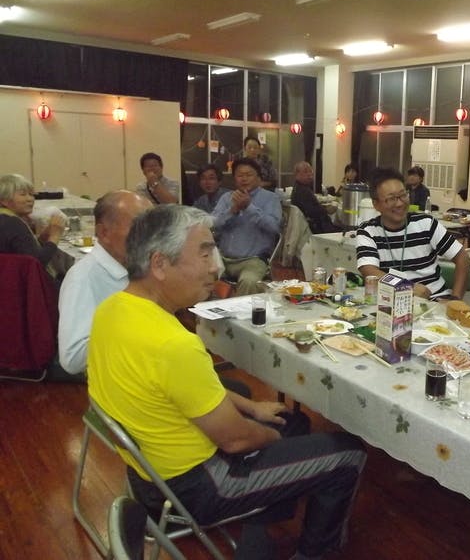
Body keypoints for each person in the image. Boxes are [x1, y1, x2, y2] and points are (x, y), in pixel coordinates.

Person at [87, 204, 367, 560]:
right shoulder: (173, 344)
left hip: (149, 475)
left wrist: (254, 409)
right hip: (199, 486)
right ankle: (314, 553)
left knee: (290, 420)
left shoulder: (112, 309)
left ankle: (265, 512)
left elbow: (186, 389)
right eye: (204, 254)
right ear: (159, 264)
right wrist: (272, 439)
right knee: (348, 453)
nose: (215, 267)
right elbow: (237, 440)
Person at [57, 190, 152, 378]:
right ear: (104, 232)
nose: (151, 236)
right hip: (121, 380)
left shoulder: (139, 266)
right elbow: (72, 358)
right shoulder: (83, 278)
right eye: (139, 228)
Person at [356, 168, 470, 300]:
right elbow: (370, 272)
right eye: (391, 199)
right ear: (376, 204)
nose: (400, 203)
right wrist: (406, 287)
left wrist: (455, 299)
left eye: (403, 195)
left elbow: (463, 258)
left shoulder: (426, 224)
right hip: (391, 302)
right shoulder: (368, 231)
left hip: (435, 299)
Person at [213, 157, 282, 295]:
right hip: (223, 259)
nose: (244, 179)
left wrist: (249, 207)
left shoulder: (270, 198)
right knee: (200, 275)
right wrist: (232, 211)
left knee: (249, 281)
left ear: (258, 178)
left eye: (249, 175)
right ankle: (210, 310)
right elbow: (213, 224)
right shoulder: (227, 198)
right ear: (234, 179)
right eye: (240, 175)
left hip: (253, 260)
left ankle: (240, 310)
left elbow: (274, 227)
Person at [0, 173, 68, 278]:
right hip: (26, 284)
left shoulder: (5, 218)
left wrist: (43, 238)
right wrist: (54, 237)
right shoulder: (13, 224)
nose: (30, 199)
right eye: (23, 194)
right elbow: (36, 263)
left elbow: (24, 251)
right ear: (4, 200)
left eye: (31, 194)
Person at [291, 161, 342, 234]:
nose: (309, 174)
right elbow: (312, 211)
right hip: (316, 228)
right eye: (305, 171)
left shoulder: (300, 188)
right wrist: (327, 210)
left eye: (310, 171)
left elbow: (312, 207)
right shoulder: (303, 191)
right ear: (297, 174)